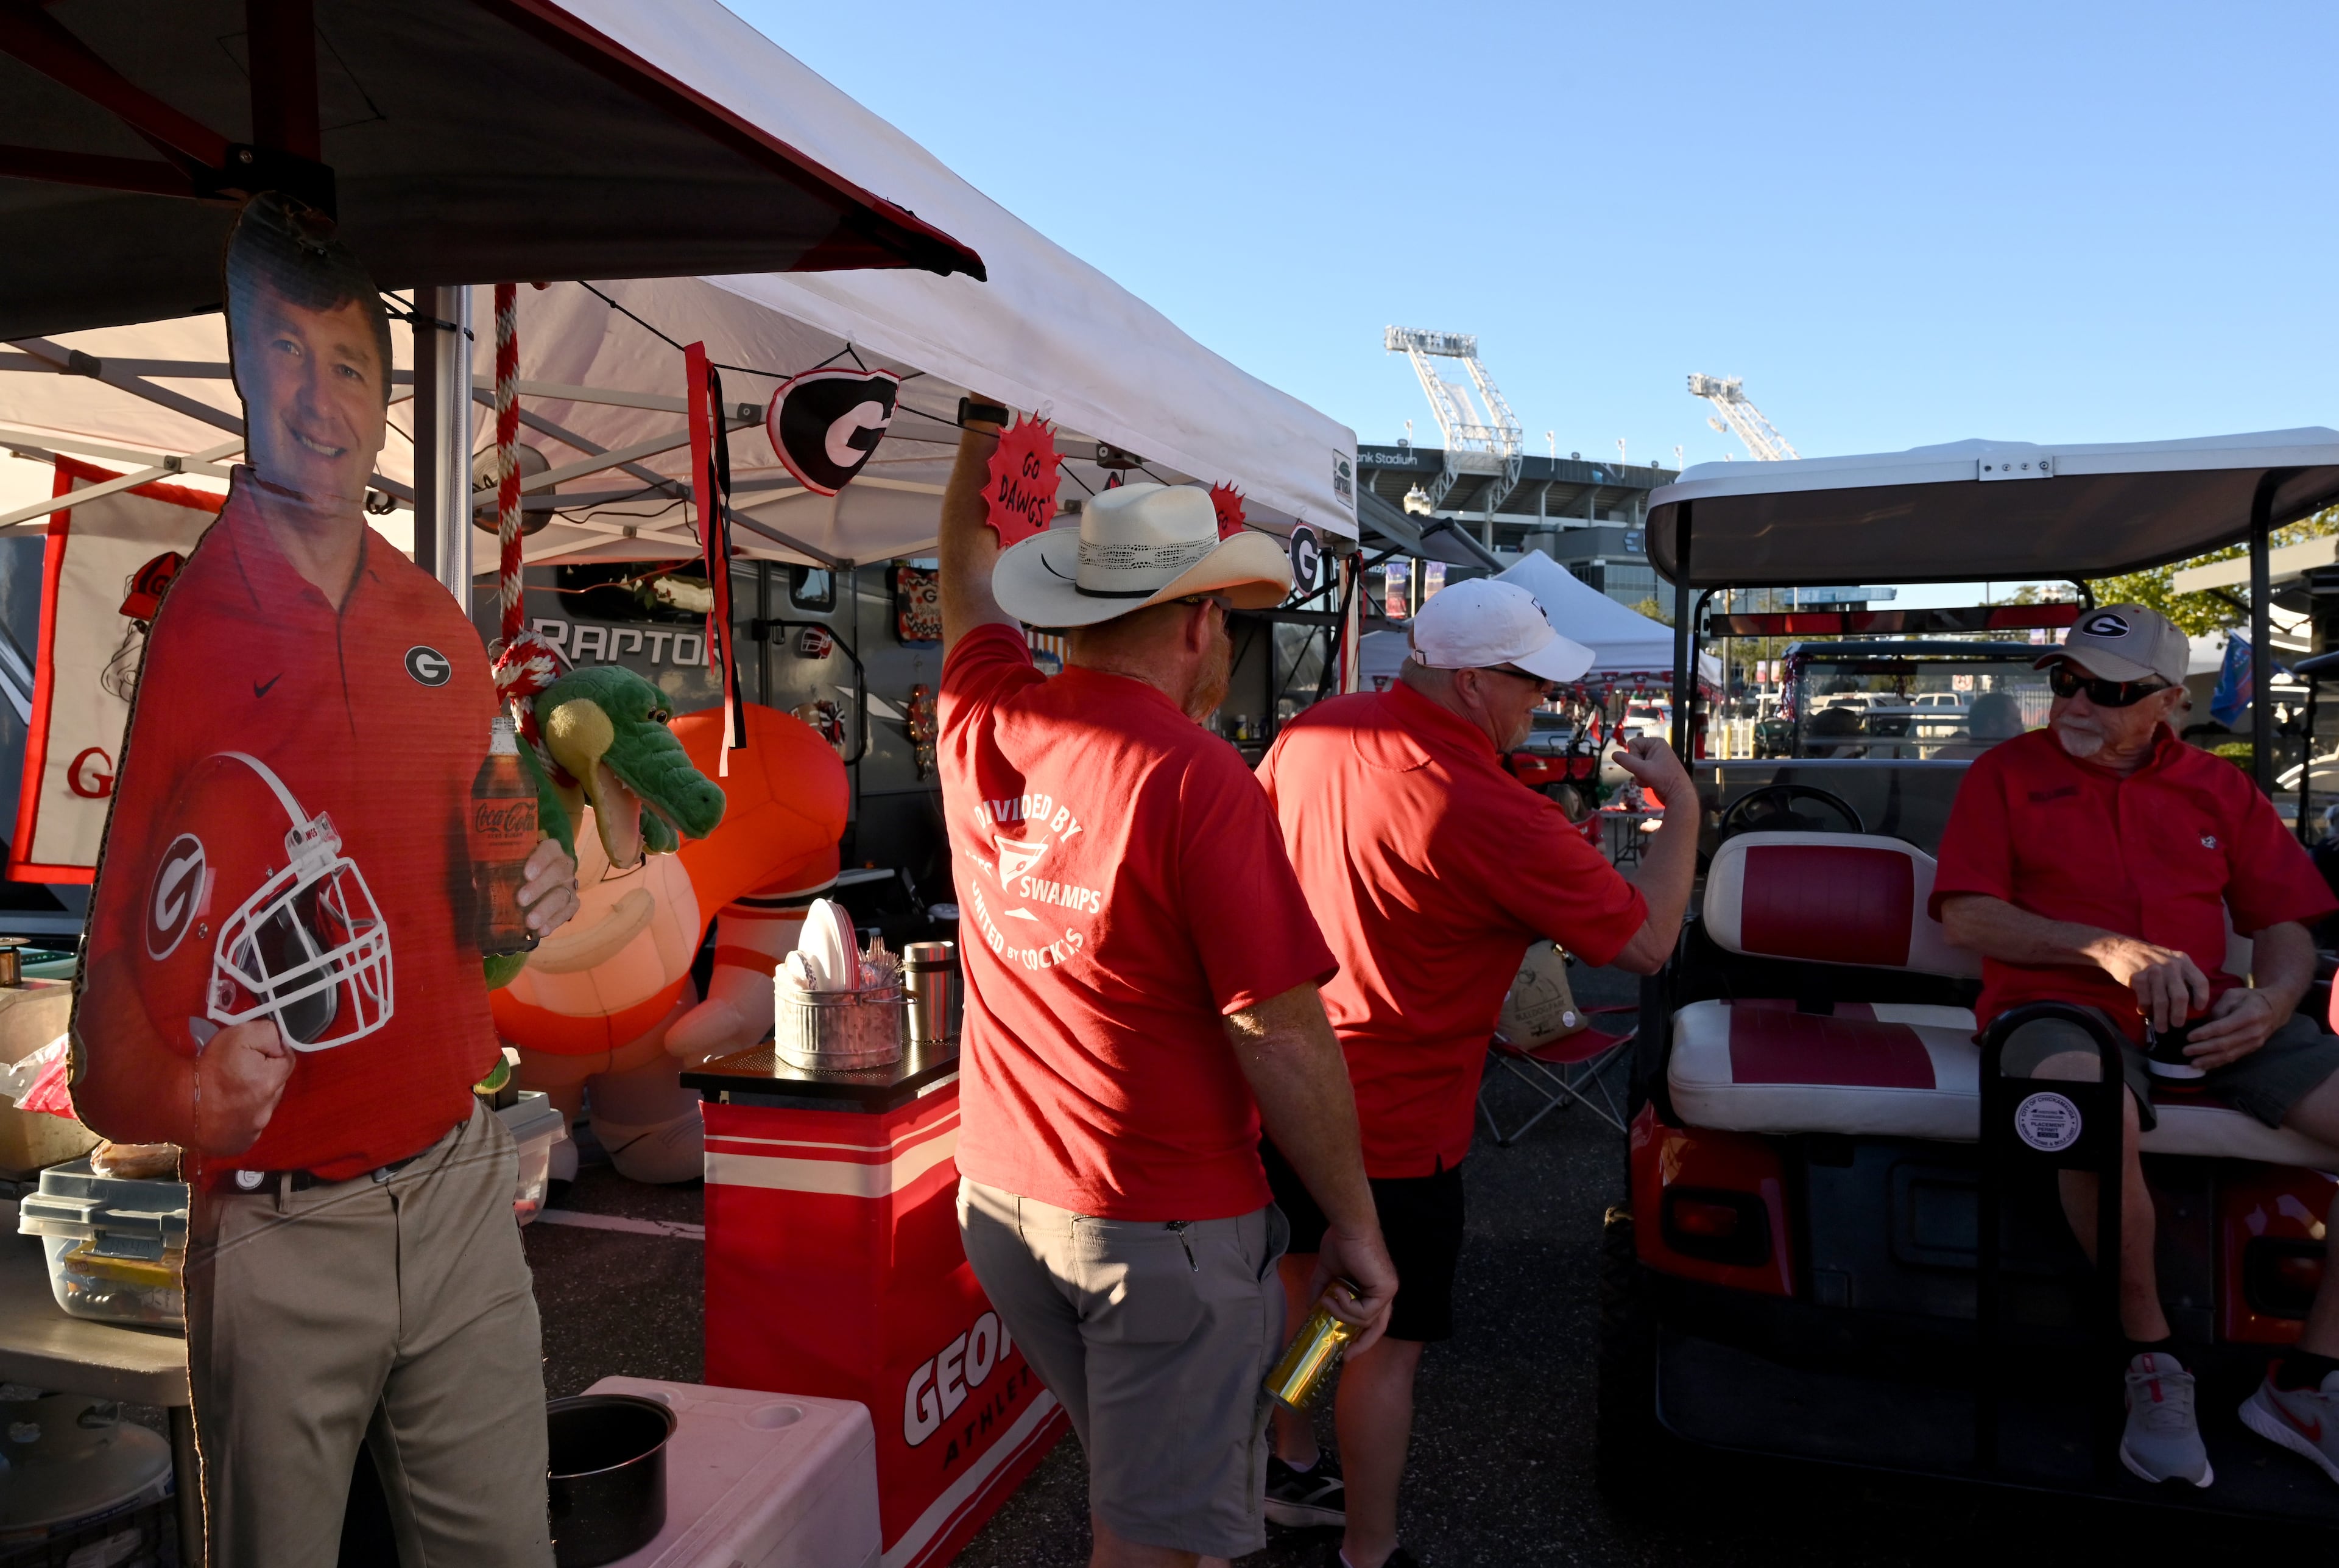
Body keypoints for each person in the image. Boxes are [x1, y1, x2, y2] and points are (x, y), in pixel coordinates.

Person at [71, 194, 581, 1563]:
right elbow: (106, 989)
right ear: (240, 363)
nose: (317, 395)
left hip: (467, 1188)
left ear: (385, 397)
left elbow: (492, 903)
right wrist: (183, 1093)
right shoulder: (194, 628)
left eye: (348, 363)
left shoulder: (434, 618)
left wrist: (535, 887)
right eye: (284, 352)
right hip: (282, 1230)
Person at [934, 407, 1399, 1568]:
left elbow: (964, 591)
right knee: (1158, 1544)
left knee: (1142, 1483)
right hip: (1157, 1230)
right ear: (1200, 622)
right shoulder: (1195, 775)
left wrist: (973, 444)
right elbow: (1280, 1032)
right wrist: (1355, 1223)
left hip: (1003, 1203)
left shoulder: (977, 711)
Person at [1254, 579, 1701, 1568]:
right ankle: (1369, 1552)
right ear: (1469, 683)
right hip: (1399, 1123)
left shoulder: (1313, 735)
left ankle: (1286, 1459)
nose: (1538, 706)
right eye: (1529, 686)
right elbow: (1650, 940)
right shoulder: (1491, 805)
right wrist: (1685, 813)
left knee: (1303, 1286)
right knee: (1381, 1337)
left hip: (1282, 1087)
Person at [1933, 603, 2339, 1490]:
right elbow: (1967, 913)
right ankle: (2152, 1358)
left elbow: (2285, 922)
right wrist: (2104, 948)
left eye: (2106, 691)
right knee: (2085, 1107)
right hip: (2056, 1003)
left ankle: (2308, 1381)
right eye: (2065, 681)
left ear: (2167, 703)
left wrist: (2271, 1004)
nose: (2074, 703)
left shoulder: (2219, 788)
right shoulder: (2004, 775)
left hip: (2210, 1009)